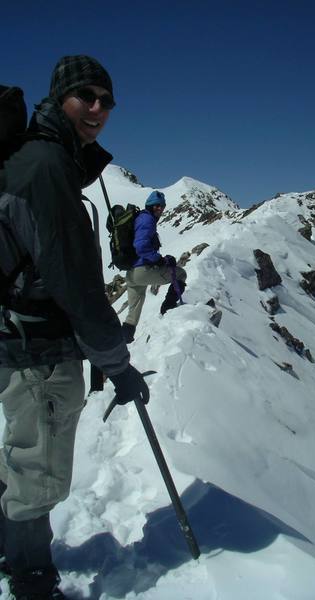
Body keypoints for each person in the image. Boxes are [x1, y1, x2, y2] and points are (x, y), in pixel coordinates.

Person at [0, 55, 149, 600]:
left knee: (22, 454)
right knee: (38, 472)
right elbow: (79, 288)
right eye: (86, 96)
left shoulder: (46, 159)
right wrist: (118, 364)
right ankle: (31, 578)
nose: (98, 109)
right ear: (58, 97)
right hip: (37, 348)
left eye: (107, 100)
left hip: (24, 339)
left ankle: (12, 549)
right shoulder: (47, 167)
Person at [122, 191, 187, 343]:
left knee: (132, 315)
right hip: (142, 271)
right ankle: (168, 310)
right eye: (157, 206)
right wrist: (160, 260)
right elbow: (141, 246)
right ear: (150, 206)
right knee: (180, 274)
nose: (160, 209)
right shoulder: (147, 220)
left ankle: (122, 343)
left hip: (131, 274)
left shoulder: (140, 218)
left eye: (162, 206)